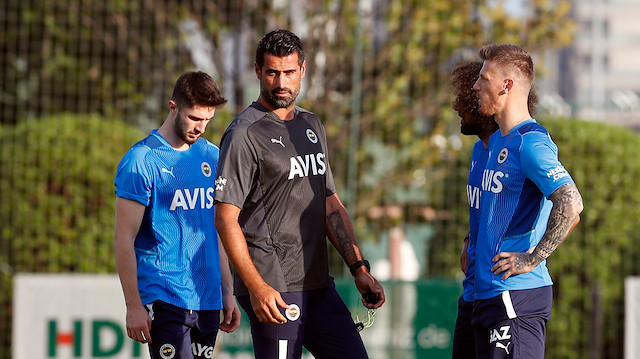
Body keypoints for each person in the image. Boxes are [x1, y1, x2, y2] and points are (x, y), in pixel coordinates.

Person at [213, 29, 385, 359]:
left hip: (318, 285)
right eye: (272, 72)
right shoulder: (243, 134)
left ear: (302, 70)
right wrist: (257, 286)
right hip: (274, 287)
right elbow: (225, 218)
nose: (281, 83)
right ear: (257, 71)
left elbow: (329, 203)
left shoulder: (312, 125)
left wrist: (359, 268)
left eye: (289, 72)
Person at [113, 71, 241, 359]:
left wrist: (227, 291)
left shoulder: (212, 156)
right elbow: (124, 238)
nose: (201, 128)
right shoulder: (140, 161)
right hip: (165, 295)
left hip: (207, 296)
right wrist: (133, 304)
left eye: (207, 120)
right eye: (195, 118)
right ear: (173, 107)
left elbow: (216, 228)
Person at [471, 44, 583, 359]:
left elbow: (571, 204)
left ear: (507, 85)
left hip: (516, 297)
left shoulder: (530, 143)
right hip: (490, 297)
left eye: (484, 78)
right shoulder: (497, 144)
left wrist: (531, 258)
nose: (476, 85)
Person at [450, 60, 539, 359]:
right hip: (475, 291)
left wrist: (532, 257)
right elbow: (490, 206)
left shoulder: (523, 146)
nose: (457, 105)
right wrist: (468, 238)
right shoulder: (481, 151)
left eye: (469, 94)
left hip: (508, 291)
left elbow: (567, 203)